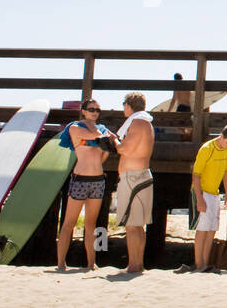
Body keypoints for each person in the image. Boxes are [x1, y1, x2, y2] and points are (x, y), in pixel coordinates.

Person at [56, 100, 112, 271]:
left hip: (97, 180)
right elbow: (92, 136)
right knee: (69, 223)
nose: (95, 112)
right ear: (83, 111)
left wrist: (102, 134)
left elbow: (106, 151)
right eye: (91, 109)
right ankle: (60, 264)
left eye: (98, 110)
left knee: (91, 224)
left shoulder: (101, 130)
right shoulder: (75, 127)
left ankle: (90, 264)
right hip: (80, 179)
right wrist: (96, 128)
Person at [112, 92, 155, 274]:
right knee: (138, 224)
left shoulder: (137, 122)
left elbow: (125, 149)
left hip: (133, 176)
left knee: (132, 225)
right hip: (141, 174)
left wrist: (112, 139)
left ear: (129, 105)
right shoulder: (147, 123)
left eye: (124, 105)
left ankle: (133, 265)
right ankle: (138, 264)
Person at [191, 123, 227, 271]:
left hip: (215, 193)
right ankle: (198, 264)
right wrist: (199, 199)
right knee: (202, 229)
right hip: (201, 192)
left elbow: (226, 172)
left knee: (212, 229)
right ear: (221, 136)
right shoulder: (207, 149)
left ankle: (205, 264)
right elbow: (196, 175)